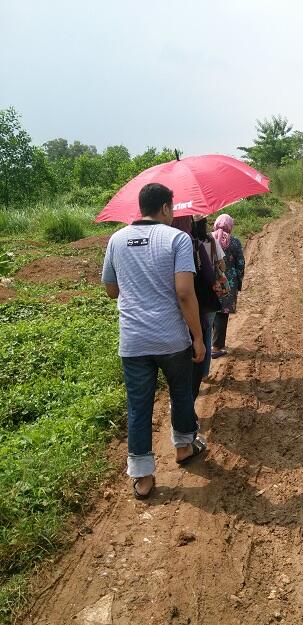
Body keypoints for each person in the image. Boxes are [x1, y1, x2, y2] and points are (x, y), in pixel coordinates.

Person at [101, 183, 206, 500]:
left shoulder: (116, 240)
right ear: (165, 208)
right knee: (181, 393)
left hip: (133, 341)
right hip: (171, 338)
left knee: (138, 407)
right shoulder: (177, 238)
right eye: (172, 208)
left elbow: (111, 289)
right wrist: (198, 337)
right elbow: (185, 292)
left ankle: (143, 476)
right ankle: (185, 446)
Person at [171, 215, 220, 398]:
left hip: (167, 316)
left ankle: (177, 403)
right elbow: (208, 276)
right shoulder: (193, 244)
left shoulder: (162, 244)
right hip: (197, 308)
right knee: (200, 343)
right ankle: (188, 404)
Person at [192, 214, 226, 379]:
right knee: (206, 333)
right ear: (205, 224)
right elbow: (222, 265)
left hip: (191, 292)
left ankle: (190, 373)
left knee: (191, 333)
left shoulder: (183, 242)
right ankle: (204, 374)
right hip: (209, 293)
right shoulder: (211, 240)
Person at [212, 213, 245, 358]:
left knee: (209, 311)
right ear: (230, 226)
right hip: (228, 282)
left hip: (210, 281)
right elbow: (240, 263)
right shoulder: (235, 242)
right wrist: (239, 281)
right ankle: (217, 346)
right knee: (222, 313)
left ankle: (209, 343)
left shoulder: (208, 238)